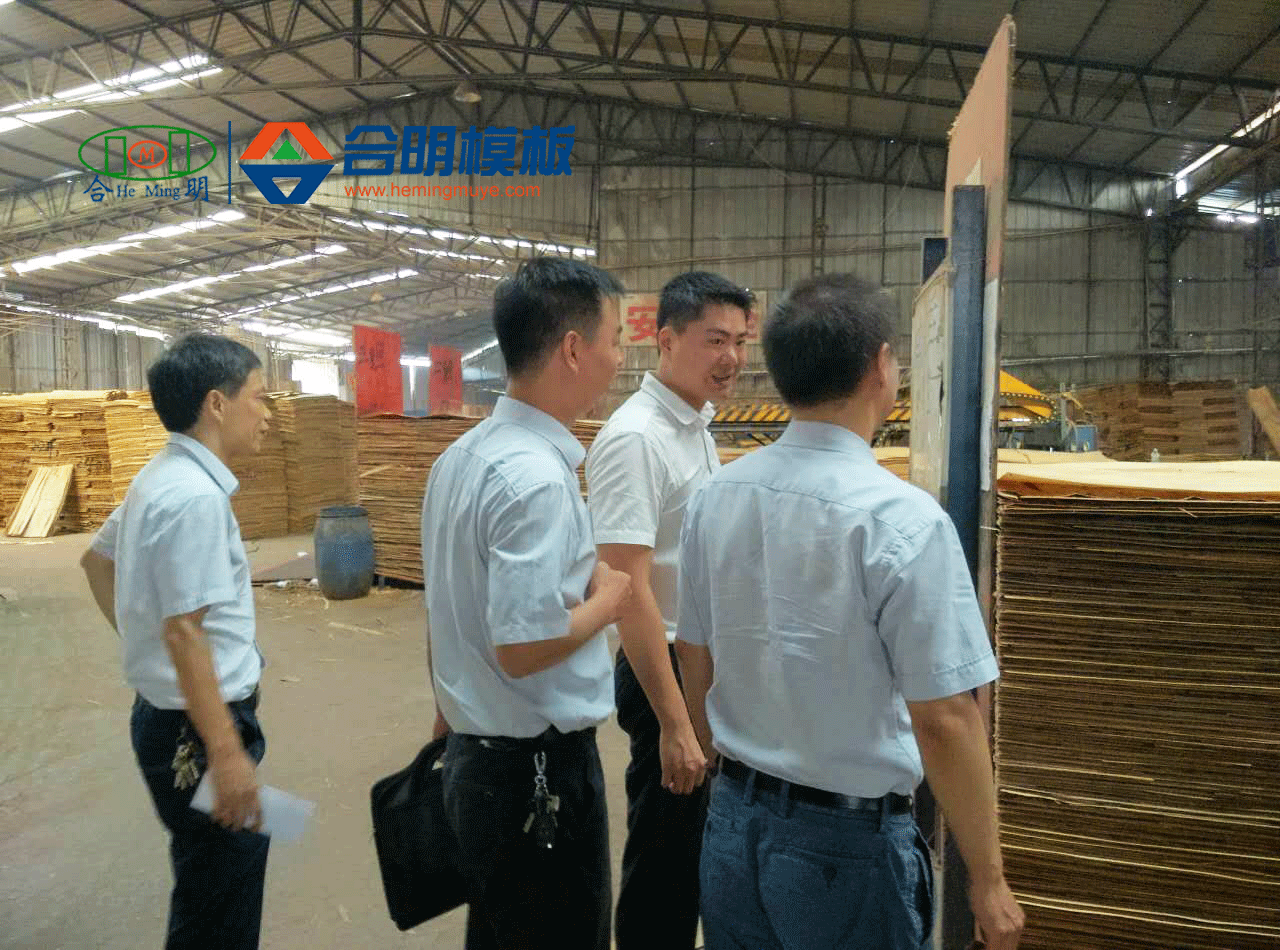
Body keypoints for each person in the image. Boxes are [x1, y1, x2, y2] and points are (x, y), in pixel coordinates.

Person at [675, 274, 1026, 950]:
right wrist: (988, 879)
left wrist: (727, 764)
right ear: (880, 366)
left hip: (734, 825)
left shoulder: (718, 497)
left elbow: (693, 649)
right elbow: (945, 718)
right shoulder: (902, 519)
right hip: (845, 851)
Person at [421, 257, 634, 950]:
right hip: (534, 776)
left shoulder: (461, 458)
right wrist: (610, 600)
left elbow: (449, 608)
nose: (619, 359)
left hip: (477, 758)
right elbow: (522, 646)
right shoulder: (535, 479)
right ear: (573, 348)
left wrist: (449, 706)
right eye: (615, 340)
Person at [80, 334, 274, 950]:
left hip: (164, 720)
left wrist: (149, 646)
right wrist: (226, 753)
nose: (267, 415)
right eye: (259, 397)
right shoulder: (195, 498)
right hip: (195, 731)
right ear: (216, 404)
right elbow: (185, 631)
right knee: (219, 906)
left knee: (208, 883)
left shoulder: (159, 477)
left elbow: (96, 562)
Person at [585, 271, 753, 950]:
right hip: (664, 672)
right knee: (664, 869)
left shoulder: (694, 427)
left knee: (690, 858)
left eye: (739, 341)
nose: (731, 357)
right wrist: (677, 723)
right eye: (715, 340)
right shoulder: (638, 438)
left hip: (698, 668)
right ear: (666, 340)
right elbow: (627, 589)